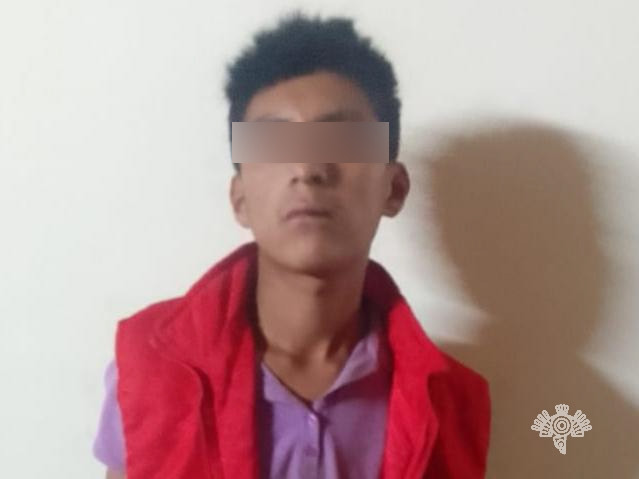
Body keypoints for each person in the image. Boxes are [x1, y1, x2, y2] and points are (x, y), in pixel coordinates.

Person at [92, 10, 491, 479]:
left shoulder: (452, 405)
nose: (307, 168)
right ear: (240, 198)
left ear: (394, 188)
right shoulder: (151, 369)